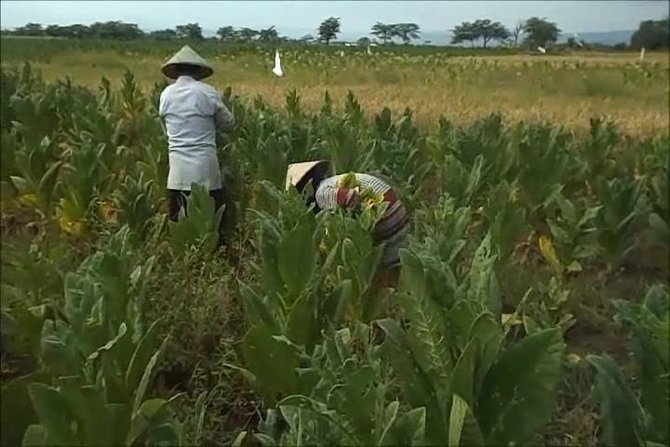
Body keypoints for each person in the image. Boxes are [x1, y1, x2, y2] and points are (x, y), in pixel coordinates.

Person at [285, 160, 410, 285]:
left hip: (385, 213)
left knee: (376, 264)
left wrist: (352, 225)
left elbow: (350, 197)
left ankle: (388, 287)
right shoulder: (331, 182)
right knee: (395, 258)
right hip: (396, 210)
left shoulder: (321, 193)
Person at [158, 45, 235, 246]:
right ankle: (214, 255)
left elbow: (166, 129)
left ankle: (184, 258)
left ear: (176, 71)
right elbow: (228, 122)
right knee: (211, 218)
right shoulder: (207, 92)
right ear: (198, 71)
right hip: (205, 166)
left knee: (179, 218)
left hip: (177, 169)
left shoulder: (166, 94)